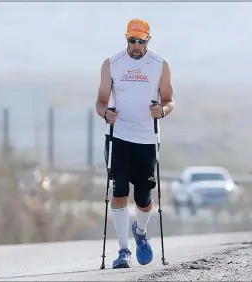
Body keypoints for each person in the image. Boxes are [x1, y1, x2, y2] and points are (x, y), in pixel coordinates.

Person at [95, 18, 175, 269]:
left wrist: (161, 110)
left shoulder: (160, 65)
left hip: (147, 140)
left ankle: (140, 232)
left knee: (143, 198)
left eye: (141, 41)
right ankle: (123, 251)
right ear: (126, 38)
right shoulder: (112, 64)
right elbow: (100, 103)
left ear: (148, 40)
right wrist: (106, 113)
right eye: (132, 40)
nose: (136, 46)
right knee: (118, 193)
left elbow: (170, 100)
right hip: (119, 137)